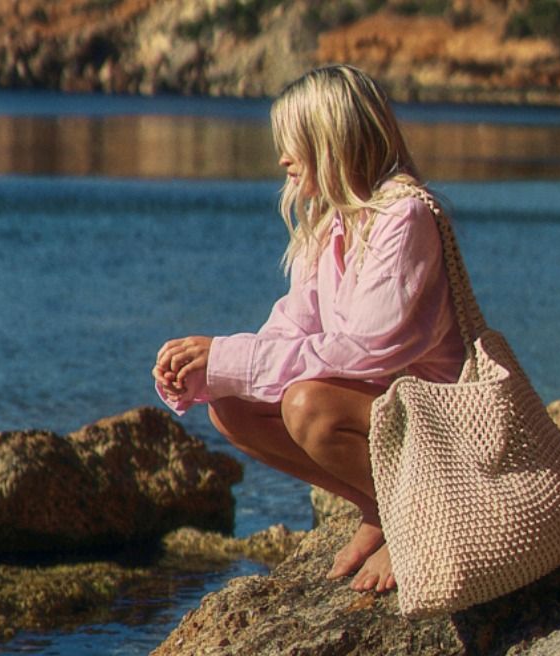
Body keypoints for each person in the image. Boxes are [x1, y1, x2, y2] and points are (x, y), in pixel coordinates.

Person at [152, 64, 466, 593]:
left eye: (294, 141)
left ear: (333, 139)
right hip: (382, 410)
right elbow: (293, 328)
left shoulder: (405, 215)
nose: (282, 158)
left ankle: (415, 518)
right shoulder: (331, 222)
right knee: (230, 406)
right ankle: (376, 505)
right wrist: (205, 370)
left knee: (307, 405)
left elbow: (368, 348)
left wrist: (228, 357)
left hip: (437, 420)